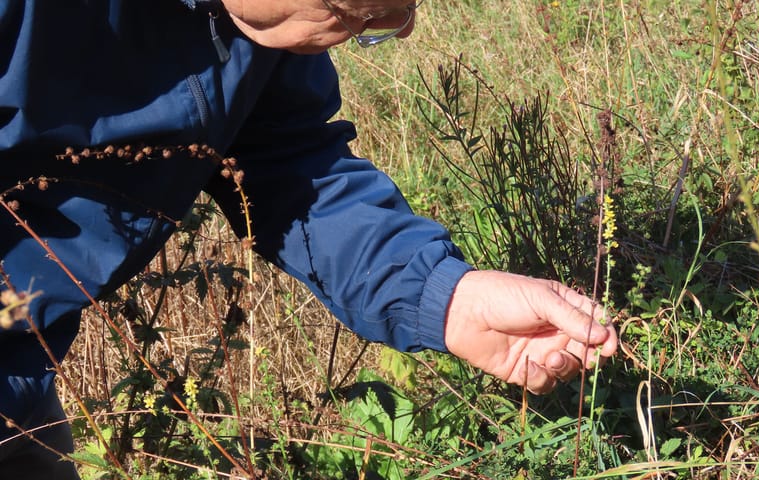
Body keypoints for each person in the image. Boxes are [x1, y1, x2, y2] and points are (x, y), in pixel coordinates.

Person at [0, 0, 618, 477]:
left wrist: (446, 296)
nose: (393, 32)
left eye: (387, 16)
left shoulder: (260, 30)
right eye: (352, 13)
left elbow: (290, 165)